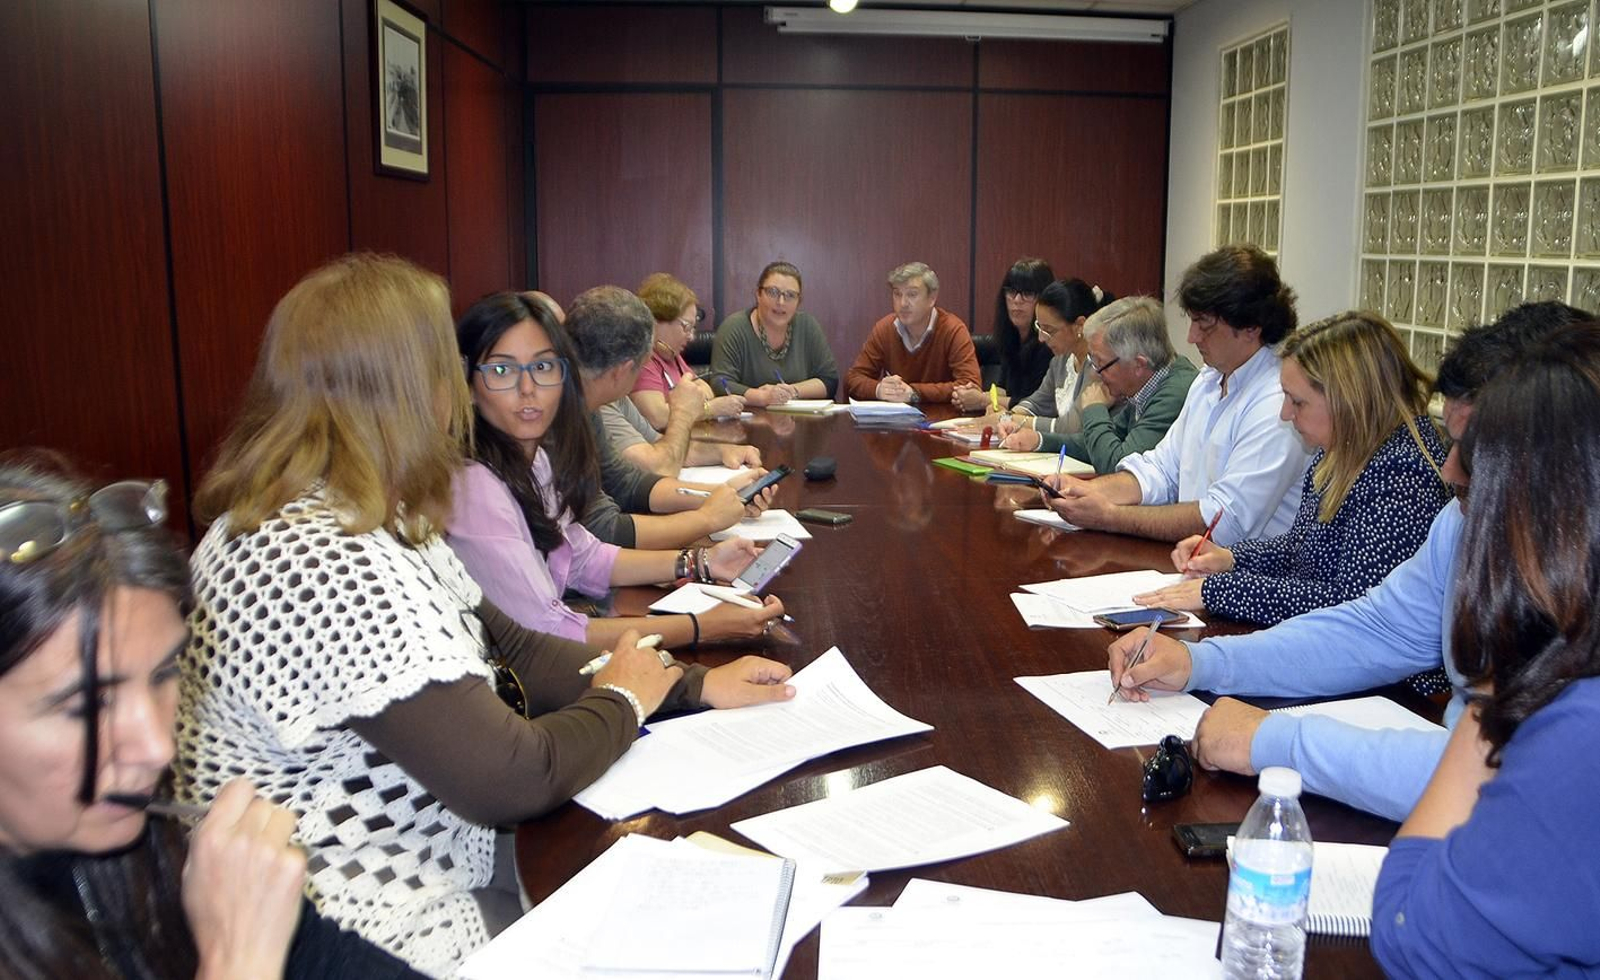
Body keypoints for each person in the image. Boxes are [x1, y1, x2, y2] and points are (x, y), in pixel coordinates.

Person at [176, 254, 796, 976]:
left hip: (435, 853)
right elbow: (510, 775)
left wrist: (687, 686)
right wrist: (628, 697)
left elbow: (521, 651)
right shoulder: (314, 554)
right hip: (367, 918)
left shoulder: (374, 509)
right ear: (417, 387)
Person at [1104, 301, 1593, 821]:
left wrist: (1276, 741)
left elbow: (1496, 776)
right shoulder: (1465, 518)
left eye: (1476, 454)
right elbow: (1376, 626)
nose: (1449, 470)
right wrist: (1202, 663)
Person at [0, 460, 422, 979]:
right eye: (87, 705)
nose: (158, 747)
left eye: (162, 674)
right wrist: (237, 960)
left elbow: (329, 958)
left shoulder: (142, 850)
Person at [1371, 321, 1600, 978]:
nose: (1448, 473)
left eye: (1477, 467)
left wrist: (1494, 688)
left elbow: (1413, 934)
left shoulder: (1579, 726)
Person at [449, 290, 785, 650]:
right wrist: (702, 626)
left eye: (543, 367)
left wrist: (700, 562)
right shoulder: (475, 489)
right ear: (467, 383)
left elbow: (584, 555)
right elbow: (547, 634)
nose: (529, 389)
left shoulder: (534, 460)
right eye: (502, 370)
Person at [1131, 311, 1450, 655]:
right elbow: (1301, 549)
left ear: (1349, 400)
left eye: (1297, 401)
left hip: (1395, 687)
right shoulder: (1338, 449)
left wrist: (1220, 591)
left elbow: (1353, 607)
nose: (1285, 414)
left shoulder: (1404, 475)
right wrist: (1230, 558)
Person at [1043, 244, 1310, 546]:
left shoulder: (1279, 401)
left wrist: (1109, 516)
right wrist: (1089, 491)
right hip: (1193, 563)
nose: (1191, 337)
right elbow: (1162, 470)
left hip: (1245, 578)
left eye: (1204, 325)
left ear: (1250, 326)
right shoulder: (1209, 380)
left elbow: (1221, 522)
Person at [562, 286, 772, 549]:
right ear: (624, 370)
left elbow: (628, 482)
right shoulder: (563, 413)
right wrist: (705, 522)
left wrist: (724, 494)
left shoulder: (589, 406)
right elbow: (604, 527)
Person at [1002, 296, 1196, 474]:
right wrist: (1039, 440)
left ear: (1138, 364)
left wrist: (1095, 409)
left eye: (1101, 363)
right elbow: (1096, 444)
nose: (1095, 373)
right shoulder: (1146, 383)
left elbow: (1118, 465)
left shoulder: (1174, 395)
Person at [984, 278, 1114, 438]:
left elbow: (1072, 426)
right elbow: (1038, 402)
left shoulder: (1100, 366)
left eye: (1049, 330)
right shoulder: (1060, 361)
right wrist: (1010, 414)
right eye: (1039, 326)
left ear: (1080, 325)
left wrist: (1011, 420)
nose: (1041, 338)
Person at [845, 262, 981, 405]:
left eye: (912, 294)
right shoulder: (885, 329)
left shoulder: (952, 330)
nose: (903, 303)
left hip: (944, 423)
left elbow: (971, 386)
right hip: (896, 424)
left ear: (932, 298)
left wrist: (914, 392)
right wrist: (878, 389)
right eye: (897, 294)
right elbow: (853, 378)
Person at [708, 262, 838, 406]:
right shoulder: (734, 328)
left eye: (790, 295)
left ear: (798, 301)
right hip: (747, 423)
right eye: (773, 292)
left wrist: (791, 391)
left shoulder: (807, 326)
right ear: (758, 294)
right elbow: (721, 383)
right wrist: (763, 397)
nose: (781, 302)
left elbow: (829, 381)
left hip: (799, 423)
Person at [629, 272, 747, 429]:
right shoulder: (644, 361)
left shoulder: (672, 356)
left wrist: (679, 403)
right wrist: (710, 409)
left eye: (693, 328)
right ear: (657, 320)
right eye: (686, 327)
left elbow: (706, 391)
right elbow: (657, 417)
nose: (691, 337)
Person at [952, 258, 1054, 413]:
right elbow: (1006, 390)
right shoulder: (1011, 338)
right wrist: (975, 393)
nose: (1017, 300)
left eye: (1027, 293)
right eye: (1012, 292)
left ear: (1044, 298)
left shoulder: (1049, 344)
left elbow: (1038, 404)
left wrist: (982, 400)